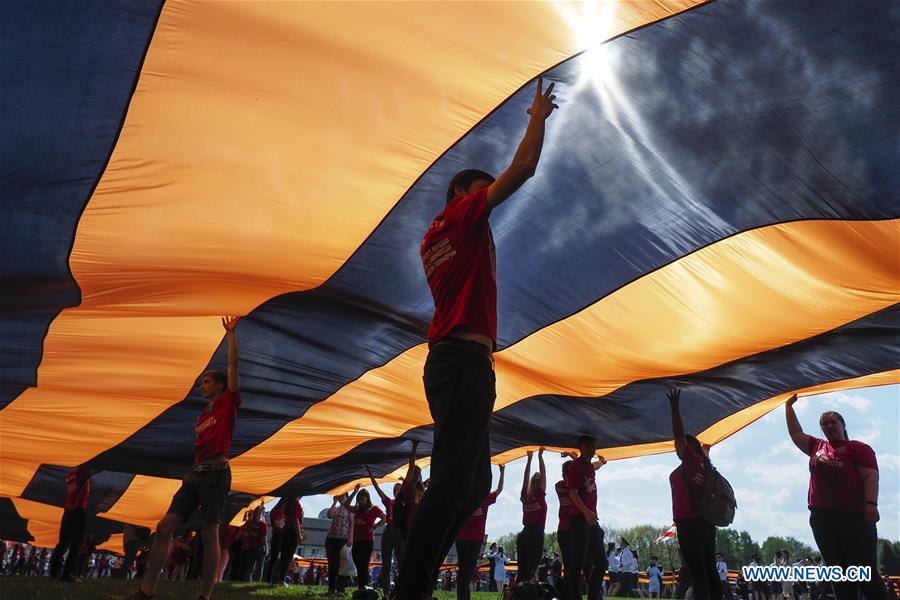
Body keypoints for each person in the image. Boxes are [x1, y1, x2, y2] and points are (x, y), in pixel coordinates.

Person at [395, 76, 559, 600]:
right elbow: (523, 170)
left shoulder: (440, 237)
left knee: (476, 484)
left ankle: (416, 578)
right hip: (461, 363)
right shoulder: (457, 219)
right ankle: (412, 588)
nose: (490, 199)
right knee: (450, 483)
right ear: (463, 195)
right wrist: (536, 118)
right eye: (482, 191)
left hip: (460, 363)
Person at [133, 315, 242, 600]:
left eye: (207, 381)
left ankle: (205, 595)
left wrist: (231, 335)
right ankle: (146, 591)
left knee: (209, 534)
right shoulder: (202, 415)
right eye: (202, 382)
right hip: (195, 475)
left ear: (220, 385)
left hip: (217, 474)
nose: (202, 385)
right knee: (164, 527)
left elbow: (233, 367)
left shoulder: (228, 403)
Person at [784, 395, 886, 600]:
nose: (829, 426)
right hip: (822, 517)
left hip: (853, 516)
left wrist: (871, 504)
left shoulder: (859, 448)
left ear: (843, 425)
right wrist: (788, 407)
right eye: (824, 424)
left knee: (864, 572)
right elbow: (796, 433)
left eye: (833, 422)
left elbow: (871, 477)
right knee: (837, 573)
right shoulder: (817, 446)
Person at [668, 387, 721, 600]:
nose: (675, 447)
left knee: (699, 575)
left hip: (690, 523)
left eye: (678, 445)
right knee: (709, 571)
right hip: (705, 523)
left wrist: (674, 407)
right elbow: (703, 451)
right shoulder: (702, 463)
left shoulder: (690, 460)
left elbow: (679, 435)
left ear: (689, 447)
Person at [564, 435, 609, 600]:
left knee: (602, 562)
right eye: (588, 446)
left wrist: (602, 463)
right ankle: (575, 597)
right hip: (579, 518)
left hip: (590, 519)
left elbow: (594, 466)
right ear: (581, 447)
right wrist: (586, 511)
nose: (592, 449)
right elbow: (572, 494)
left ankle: (593, 596)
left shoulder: (589, 466)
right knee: (578, 562)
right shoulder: (575, 467)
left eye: (594, 446)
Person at [455, 464, 504, 600]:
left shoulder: (476, 497)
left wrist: (502, 472)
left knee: (464, 571)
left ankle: (463, 597)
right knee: (467, 571)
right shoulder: (480, 497)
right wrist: (502, 472)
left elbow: (499, 490)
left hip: (465, 538)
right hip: (470, 539)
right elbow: (499, 489)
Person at [49, 465, 95, 582]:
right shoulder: (79, 473)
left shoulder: (74, 473)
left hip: (69, 511)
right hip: (76, 511)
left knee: (63, 543)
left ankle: (54, 573)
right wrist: (85, 474)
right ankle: (65, 574)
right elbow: (73, 487)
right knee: (75, 544)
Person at [365, 465, 402, 594]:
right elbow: (377, 489)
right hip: (389, 532)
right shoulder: (389, 502)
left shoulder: (406, 503)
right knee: (386, 564)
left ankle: (399, 592)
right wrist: (371, 474)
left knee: (401, 563)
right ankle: (386, 593)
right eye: (396, 490)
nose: (398, 492)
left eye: (400, 490)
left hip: (400, 532)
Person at [342, 488, 385, 590]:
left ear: (367, 499)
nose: (361, 502)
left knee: (364, 564)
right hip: (356, 540)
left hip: (367, 540)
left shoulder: (374, 509)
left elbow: (385, 518)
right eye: (359, 499)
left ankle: (363, 588)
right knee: (357, 563)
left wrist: (374, 526)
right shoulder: (356, 509)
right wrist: (354, 492)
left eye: (363, 499)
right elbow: (346, 505)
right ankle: (362, 587)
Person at [517, 448, 547, 584]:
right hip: (536, 535)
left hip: (524, 535)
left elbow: (525, 475)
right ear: (540, 482)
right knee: (530, 572)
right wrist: (540, 456)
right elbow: (544, 473)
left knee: (521, 572)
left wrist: (529, 459)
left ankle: (516, 595)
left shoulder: (525, 495)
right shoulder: (540, 494)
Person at [326, 486, 358, 593]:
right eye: (339, 496)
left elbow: (352, 523)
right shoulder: (336, 508)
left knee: (342, 564)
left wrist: (350, 538)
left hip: (343, 539)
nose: (341, 497)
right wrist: (334, 503)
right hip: (332, 538)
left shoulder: (350, 509)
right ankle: (331, 587)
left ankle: (340, 588)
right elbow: (329, 515)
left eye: (343, 495)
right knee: (332, 564)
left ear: (347, 496)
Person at [269, 496, 305, 586]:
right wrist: (299, 534)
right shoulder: (295, 504)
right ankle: (281, 579)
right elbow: (295, 519)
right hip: (292, 532)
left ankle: (275, 579)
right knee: (288, 557)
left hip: (286, 531)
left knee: (284, 557)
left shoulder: (288, 504)